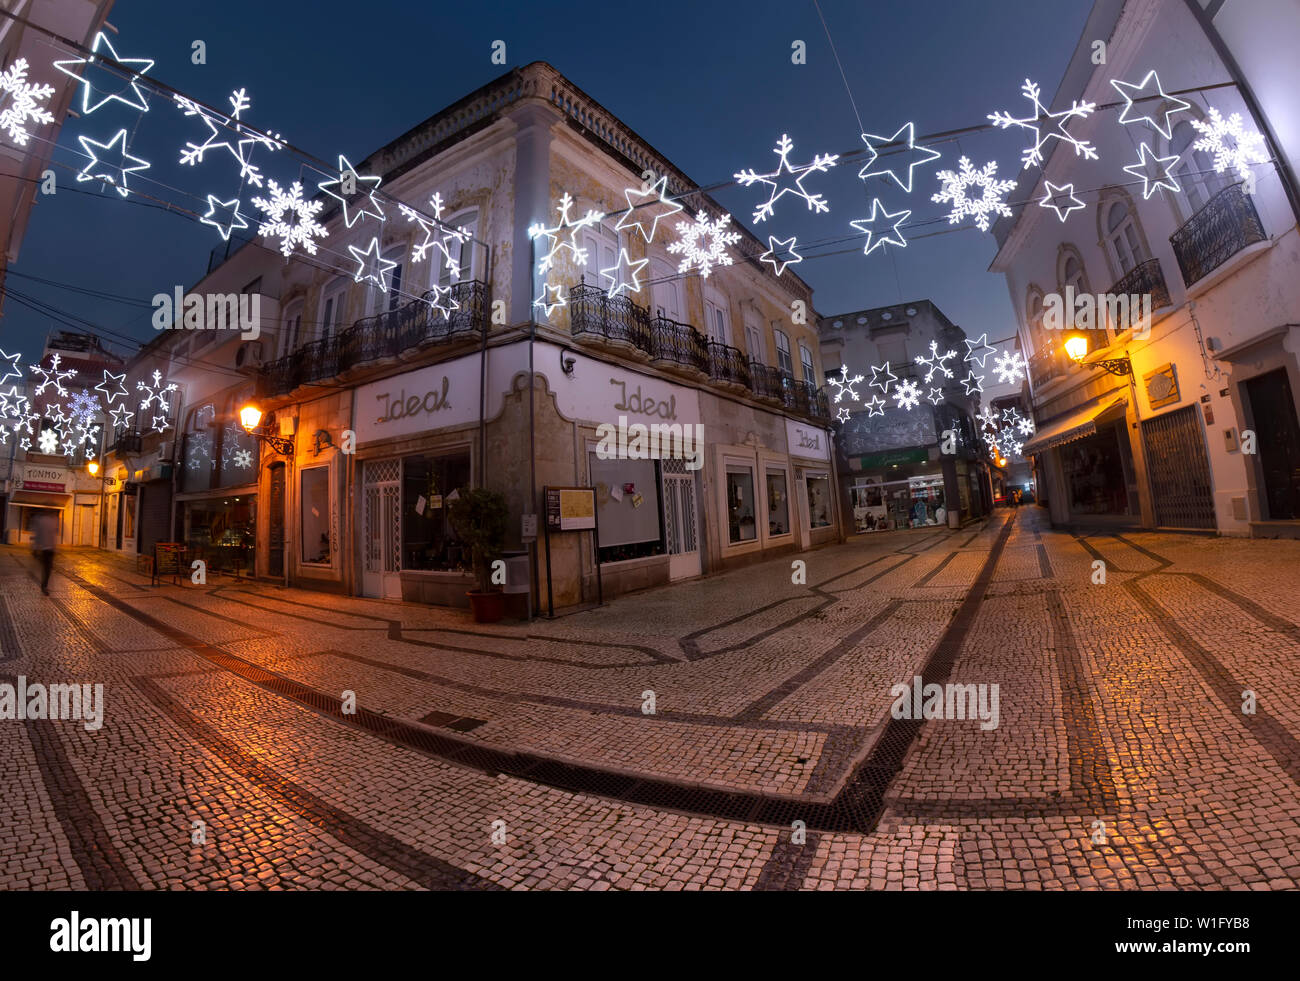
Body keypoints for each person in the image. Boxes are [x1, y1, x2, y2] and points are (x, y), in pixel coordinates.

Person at [31, 509, 57, 595]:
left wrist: (35, 548)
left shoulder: (53, 520)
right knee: (47, 568)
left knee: (47, 569)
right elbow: (38, 535)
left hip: (49, 549)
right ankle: (44, 586)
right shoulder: (44, 520)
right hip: (45, 548)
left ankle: (44, 585)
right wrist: (35, 548)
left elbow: (53, 536)